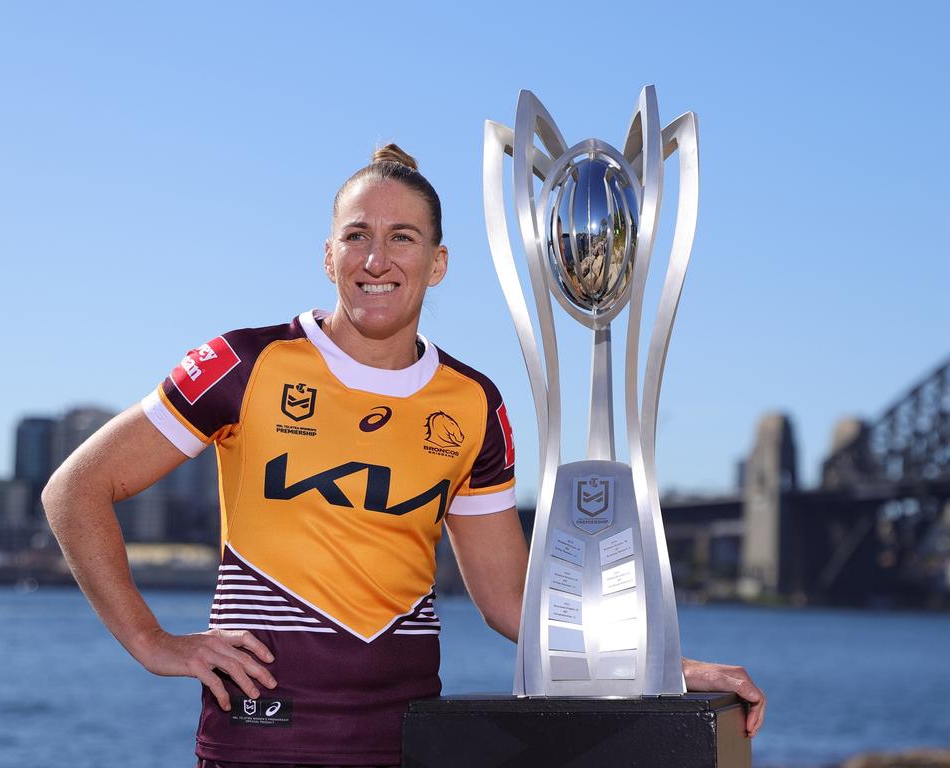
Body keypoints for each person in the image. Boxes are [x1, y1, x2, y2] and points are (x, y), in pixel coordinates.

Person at [43, 144, 765, 767]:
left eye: (403, 238)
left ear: (439, 262)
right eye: (356, 236)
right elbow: (75, 490)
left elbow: (513, 604)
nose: (377, 259)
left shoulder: (473, 403)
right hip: (261, 738)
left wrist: (674, 672)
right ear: (328, 254)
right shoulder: (245, 363)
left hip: (408, 740)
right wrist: (152, 642)